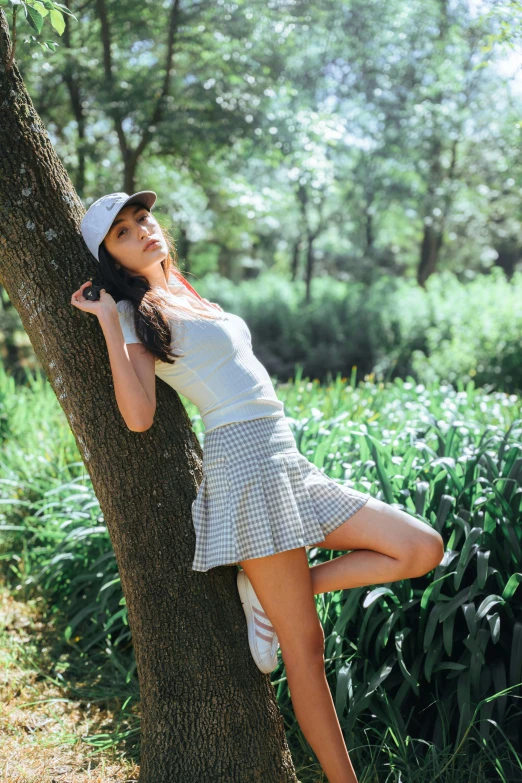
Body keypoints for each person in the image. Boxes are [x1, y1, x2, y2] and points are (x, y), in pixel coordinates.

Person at [72, 190, 445, 783]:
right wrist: (106, 322)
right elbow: (139, 416)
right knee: (306, 649)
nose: (142, 229)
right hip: (243, 467)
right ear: (111, 259)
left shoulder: (192, 296)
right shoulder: (135, 314)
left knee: (420, 548)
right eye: (122, 232)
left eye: (142, 218)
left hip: (286, 459)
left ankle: (263, 593)